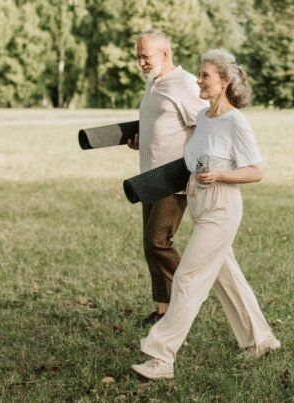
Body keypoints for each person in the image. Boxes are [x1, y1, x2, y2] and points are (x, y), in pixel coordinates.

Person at [132, 49, 280, 380]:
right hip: (201, 205)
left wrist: (221, 176)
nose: (198, 81)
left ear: (225, 81)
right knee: (227, 279)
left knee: (186, 278)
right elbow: (187, 153)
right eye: (199, 75)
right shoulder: (204, 117)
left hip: (222, 208)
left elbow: (256, 171)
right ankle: (261, 339)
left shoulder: (234, 122)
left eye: (205, 76)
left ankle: (161, 357)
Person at [128, 30, 208, 327]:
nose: (141, 63)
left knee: (157, 240)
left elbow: (206, 125)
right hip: (149, 176)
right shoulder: (154, 84)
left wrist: (195, 166)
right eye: (138, 56)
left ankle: (191, 296)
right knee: (150, 244)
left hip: (172, 178)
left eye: (145, 56)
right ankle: (163, 311)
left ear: (165, 52)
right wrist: (141, 138)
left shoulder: (185, 84)